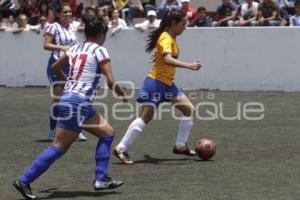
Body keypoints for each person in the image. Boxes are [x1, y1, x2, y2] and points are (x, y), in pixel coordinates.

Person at [12, 15, 127, 200]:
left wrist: (68, 83)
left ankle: (101, 179)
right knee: (60, 146)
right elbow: (111, 81)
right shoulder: (100, 50)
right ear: (100, 35)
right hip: (78, 103)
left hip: (72, 100)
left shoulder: (75, 48)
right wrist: (122, 94)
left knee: (107, 133)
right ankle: (24, 180)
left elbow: (56, 67)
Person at [113, 9, 202, 164]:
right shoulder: (166, 38)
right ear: (173, 24)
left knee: (188, 109)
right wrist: (189, 65)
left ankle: (180, 145)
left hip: (167, 84)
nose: (185, 27)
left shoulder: (169, 37)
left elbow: (163, 57)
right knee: (145, 118)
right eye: (183, 24)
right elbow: (167, 59)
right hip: (155, 84)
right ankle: (121, 148)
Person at [44, 3, 87, 141]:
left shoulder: (73, 26)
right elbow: (46, 45)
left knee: (75, 98)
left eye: (69, 12)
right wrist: (62, 47)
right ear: (58, 14)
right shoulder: (53, 26)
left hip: (71, 66)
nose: (68, 14)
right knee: (57, 99)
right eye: (65, 12)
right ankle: (52, 130)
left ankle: (76, 130)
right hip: (56, 65)